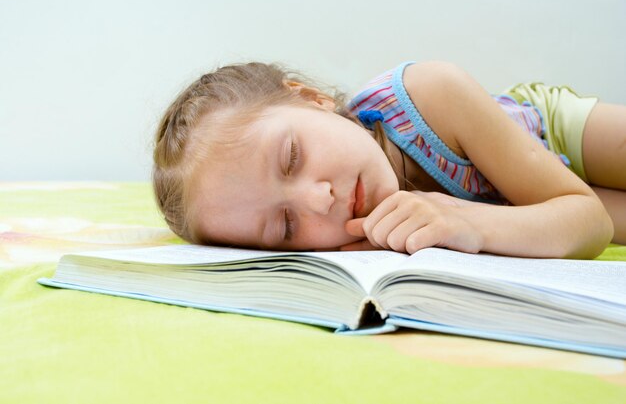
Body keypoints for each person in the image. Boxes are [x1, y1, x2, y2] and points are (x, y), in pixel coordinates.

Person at [152, 60, 625, 259]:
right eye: (286, 227)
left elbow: (585, 218)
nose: (320, 200)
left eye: (292, 157)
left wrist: (468, 222)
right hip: (535, 211)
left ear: (312, 98)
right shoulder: (357, 242)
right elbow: (592, 227)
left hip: (553, 131)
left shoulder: (432, 95)